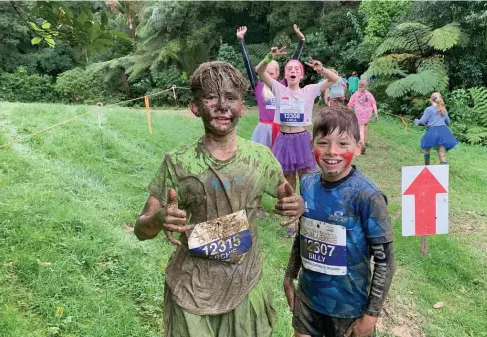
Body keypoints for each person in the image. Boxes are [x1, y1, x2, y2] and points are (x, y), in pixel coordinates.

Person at [134, 61, 305, 337]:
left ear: (242, 107)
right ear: (195, 107)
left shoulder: (259, 159)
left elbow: (288, 196)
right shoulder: (178, 163)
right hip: (191, 289)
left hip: (245, 286)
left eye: (230, 98)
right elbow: (141, 230)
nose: (221, 106)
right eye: (210, 97)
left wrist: (298, 204)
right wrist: (158, 218)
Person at [283, 105, 395, 337]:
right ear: (311, 145)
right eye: (323, 142)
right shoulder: (308, 185)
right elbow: (304, 234)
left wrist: (370, 317)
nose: (332, 151)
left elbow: (385, 261)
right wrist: (289, 275)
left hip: (349, 310)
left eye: (343, 144)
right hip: (308, 303)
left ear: (358, 147)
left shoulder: (367, 196)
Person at [256, 47, 340, 236]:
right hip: (284, 140)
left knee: (307, 180)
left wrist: (321, 69)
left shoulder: (309, 91)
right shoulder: (278, 88)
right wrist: (270, 56)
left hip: (302, 140)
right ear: (284, 74)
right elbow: (259, 71)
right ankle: (292, 222)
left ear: (302, 74)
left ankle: (309, 216)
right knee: (288, 183)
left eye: (296, 69)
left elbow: (334, 79)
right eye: (289, 69)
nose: (293, 71)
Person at [237, 24, 305, 218]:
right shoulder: (257, 85)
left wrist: (301, 42)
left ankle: (286, 204)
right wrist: (241, 41)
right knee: (258, 168)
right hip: (264, 129)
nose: (271, 73)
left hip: (282, 130)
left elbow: (295, 63)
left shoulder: (283, 86)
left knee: (284, 169)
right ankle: (256, 206)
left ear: (279, 74)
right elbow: (250, 66)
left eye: (274, 71)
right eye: (268, 70)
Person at [414, 92, 458, 165]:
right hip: (443, 132)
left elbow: (423, 121)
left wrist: (416, 121)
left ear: (431, 100)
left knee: (426, 150)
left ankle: (427, 167)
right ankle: (444, 172)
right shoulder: (444, 109)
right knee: (442, 154)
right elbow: (448, 122)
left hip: (432, 131)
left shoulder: (429, 109)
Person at [347, 80, 378, 153]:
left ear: (358, 86)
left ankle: (362, 142)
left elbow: (350, 104)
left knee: (360, 128)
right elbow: (373, 103)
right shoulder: (369, 94)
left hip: (359, 113)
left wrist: (348, 110)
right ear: (366, 86)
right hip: (368, 113)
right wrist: (376, 113)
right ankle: (365, 140)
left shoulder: (355, 94)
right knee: (365, 125)